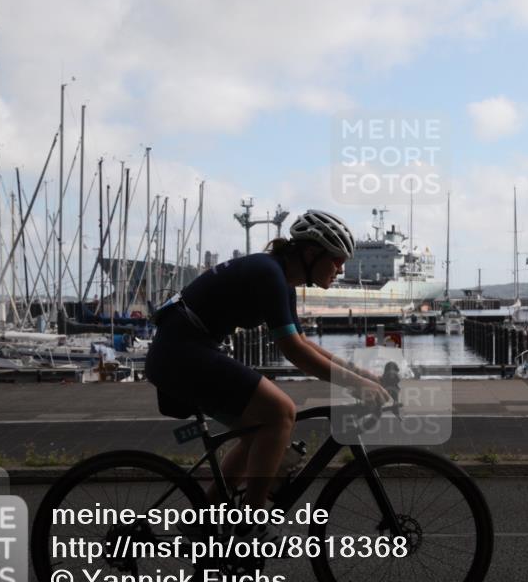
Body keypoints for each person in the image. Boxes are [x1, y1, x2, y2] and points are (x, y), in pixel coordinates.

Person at [145, 210, 391, 528]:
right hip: (181, 354)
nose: (341, 269)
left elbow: (302, 342)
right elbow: (293, 351)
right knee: (280, 412)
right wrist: (355, 385)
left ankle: (202, 522)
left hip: (184, 352)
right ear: (312, 253)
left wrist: (361, 376)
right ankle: (252, 523)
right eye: (336, 260)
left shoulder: (281, 279)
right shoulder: (268, 273)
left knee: (259, 431)